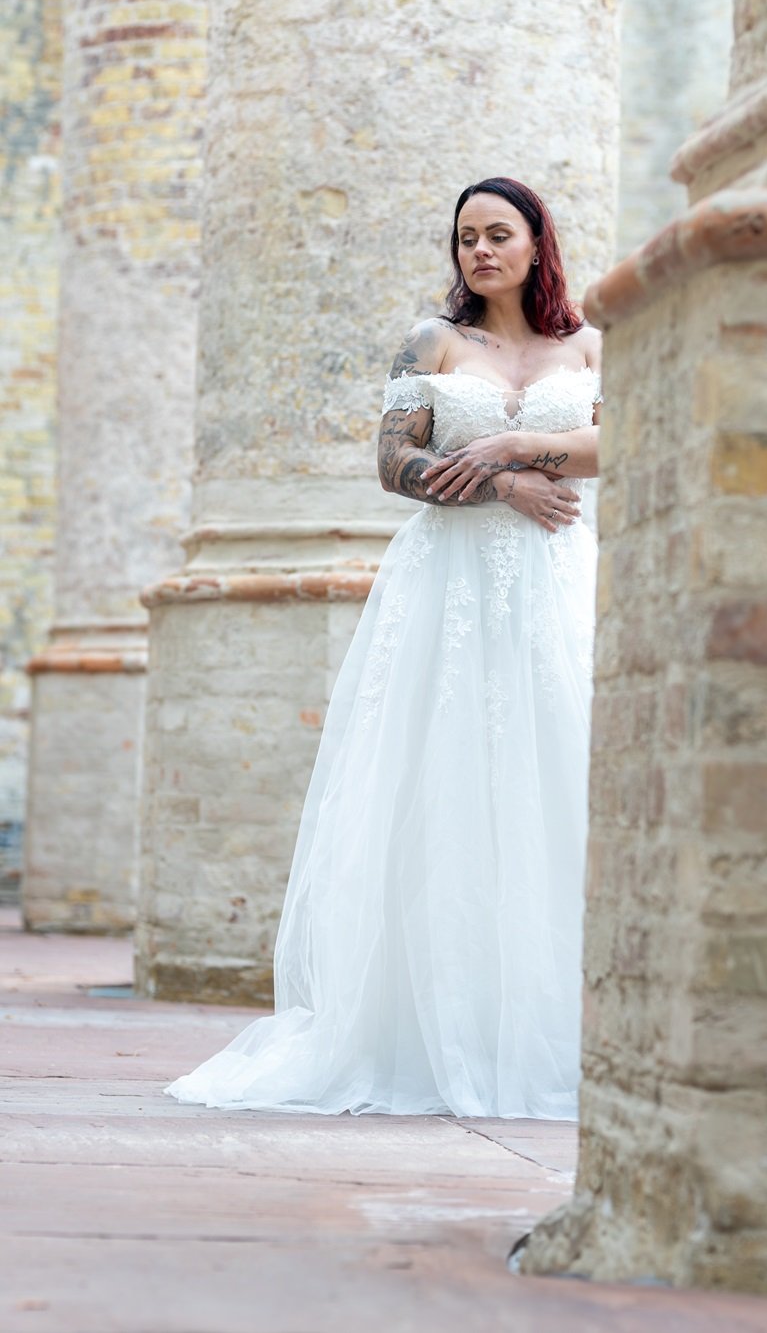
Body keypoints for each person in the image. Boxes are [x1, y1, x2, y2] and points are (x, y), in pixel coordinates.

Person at [164, 176, 602, 1119]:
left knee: (559, 781)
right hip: (446, 585)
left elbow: (623, 439)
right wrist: (501, 487)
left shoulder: (590, 346)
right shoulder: (433, 341)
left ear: (537, 245)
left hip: (557, 587)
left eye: (498, 235)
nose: (479, 252)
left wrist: (513, 451)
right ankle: (421, 1024)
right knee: (442, 784)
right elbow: (392, 460)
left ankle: (552, 1022)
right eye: (465, 239)